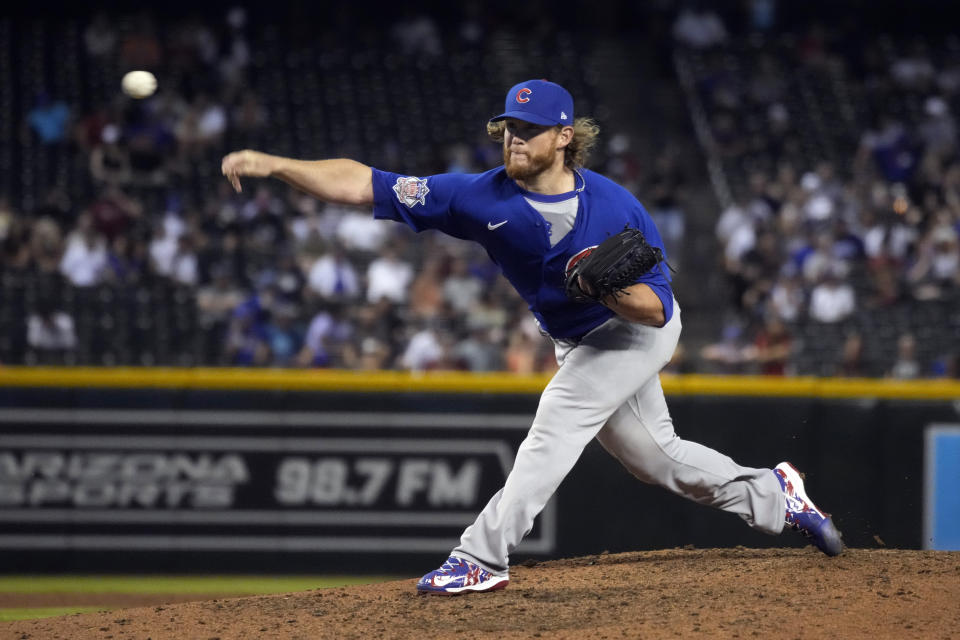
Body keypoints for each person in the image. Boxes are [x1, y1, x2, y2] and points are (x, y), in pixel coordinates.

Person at [221, 79, 843, 595]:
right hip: (577, 340)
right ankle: (776, 494)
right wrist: (276, 165)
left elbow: (656, 312)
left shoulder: (616, 208)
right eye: (509, 129)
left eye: (530, 129)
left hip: (630, 331)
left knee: (558, 419)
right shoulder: (474, 195)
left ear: (564, 137)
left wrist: (607, 290)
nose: (514, 139)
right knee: (659, 462)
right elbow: (367, 183)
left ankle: (482, 556)